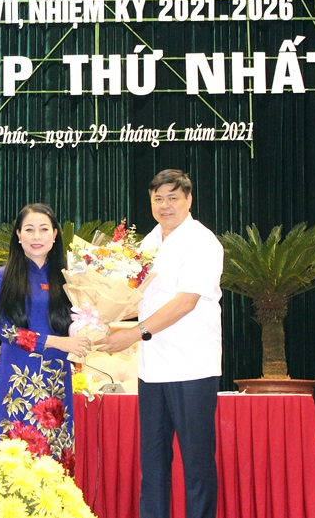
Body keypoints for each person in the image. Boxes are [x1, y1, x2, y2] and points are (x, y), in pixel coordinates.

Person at [98, 170, 224, 518]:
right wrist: (97, 315)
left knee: (196, 460)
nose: (165, 205)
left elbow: (185, 302)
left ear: (189, 199)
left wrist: (133, 333)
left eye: (173, 197)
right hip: (152, 367)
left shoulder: (202, 242)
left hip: (192, 366)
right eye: (158, 198)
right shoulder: (148, 243)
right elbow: (134, 298)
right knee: (152, 460)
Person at [0, 203, 90, 474]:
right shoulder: (2, 277)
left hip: (55, 375)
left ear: (55, 235)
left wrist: (91, 328)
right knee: (15, 458)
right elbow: (7, 332)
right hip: (17, 376)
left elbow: (81, 320)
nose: (36, 236)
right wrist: (58, 342)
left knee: (55, 455)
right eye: (29, 229)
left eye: (44, 229)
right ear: (18, 235)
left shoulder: (70, 279)